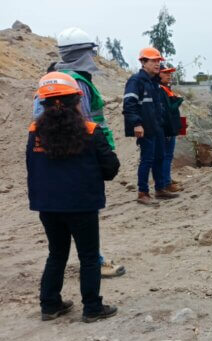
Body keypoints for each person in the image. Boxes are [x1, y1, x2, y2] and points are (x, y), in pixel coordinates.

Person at [33, 27, 125, 278]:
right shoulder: (74, 84)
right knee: (84, 221)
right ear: (83, 53)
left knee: (59, 237)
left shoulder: (50, 82)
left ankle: (52, 298)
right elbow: (81, 127)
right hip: (77, 160)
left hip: (51, 163)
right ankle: (95, 266)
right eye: (90, 52)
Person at [28, 72, 120, 322]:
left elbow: (31, 167)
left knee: (56, 254)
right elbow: (110, 168)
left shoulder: (35, 131)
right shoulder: (91, 130)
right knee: (88, 256)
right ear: (76, 100)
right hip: (82, 205)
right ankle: (92, 308)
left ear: (43, 103)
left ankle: (50, 305)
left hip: (47, 206)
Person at [123, 47, 179, 205]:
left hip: (157, 127)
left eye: (158, 61)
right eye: (153, 61)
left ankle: (160, 188)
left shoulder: (154, 83)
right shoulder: (136, 81)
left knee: (160, 157)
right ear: (143, 62)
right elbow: (129, 104)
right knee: (147, 159)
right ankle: (142, 193)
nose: (157, 64)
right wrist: (137, 124)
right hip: (145, 128)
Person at [158, 62, 185, 193]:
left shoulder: (166, 88)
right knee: (166, 155)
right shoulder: (160, 90)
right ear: (159, 74)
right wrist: (179, 101)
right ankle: (166, 183)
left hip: (170, 126)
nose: (169, 75)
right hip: (166, 128)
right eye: (166, 73)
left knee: (168, 155)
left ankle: (167, 178)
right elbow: (168, 110)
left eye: (170, 73)